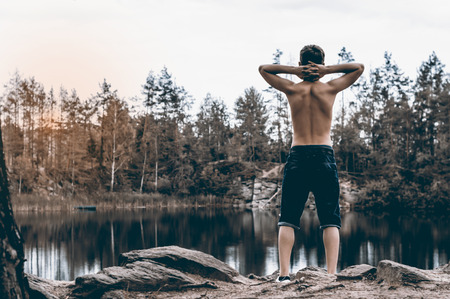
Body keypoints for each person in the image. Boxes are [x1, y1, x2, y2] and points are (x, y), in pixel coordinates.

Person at [258, 45, 364, 282]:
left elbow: (264, 69)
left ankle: (284, 276)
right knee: (330, 218)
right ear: (321, 62)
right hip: (324, 155)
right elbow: (358, 67)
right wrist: (327, 71)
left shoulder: (293, 89)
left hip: (298, 155)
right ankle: (330, 275)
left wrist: (296, 71)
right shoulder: (329, 87)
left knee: (288, 217)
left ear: (301, 62)